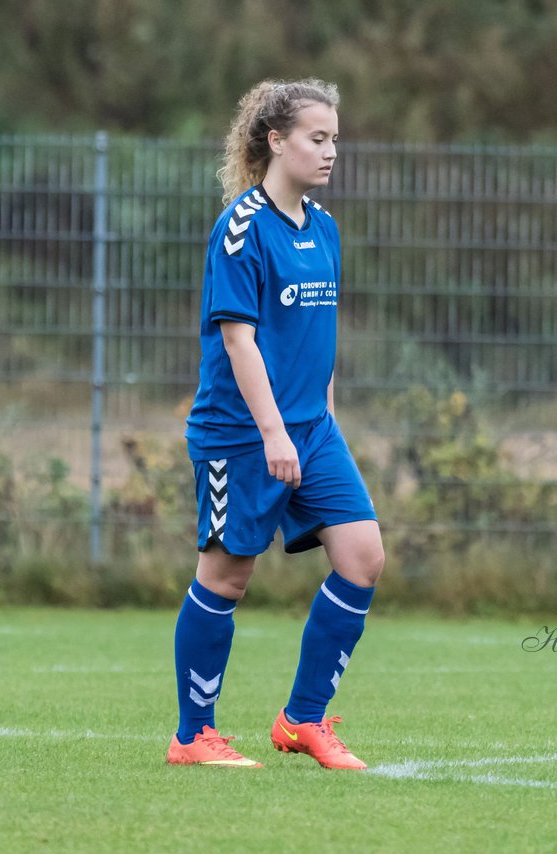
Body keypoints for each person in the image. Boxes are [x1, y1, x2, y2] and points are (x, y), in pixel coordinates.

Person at [166, 79, 385, 770]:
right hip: (242, 433)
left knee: (363, 558)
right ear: (276, 141)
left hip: (313, 429)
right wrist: (272, 433)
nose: (330, 153)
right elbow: (240, 341)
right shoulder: (240, 228)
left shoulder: (324, 229)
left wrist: (318, 414)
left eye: (335, 141)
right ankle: (192, 736)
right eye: (318, 139)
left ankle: (302, 720)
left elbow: (317, 336)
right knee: (227, 578)